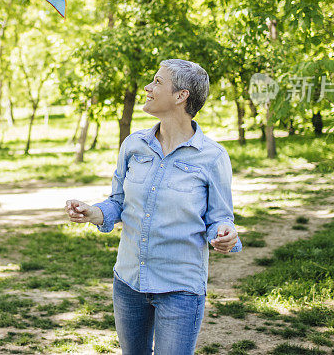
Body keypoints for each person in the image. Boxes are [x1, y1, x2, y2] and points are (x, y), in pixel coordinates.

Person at [65, 59, 242, 355]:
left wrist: (226, 234)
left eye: (158, 82)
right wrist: (92, 212)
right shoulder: (134, 145)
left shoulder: (212, 157)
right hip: (129, 282)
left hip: (180, 289)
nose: (148, 87)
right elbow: (118, 201)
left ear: (181, 96)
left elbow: (220, 217)